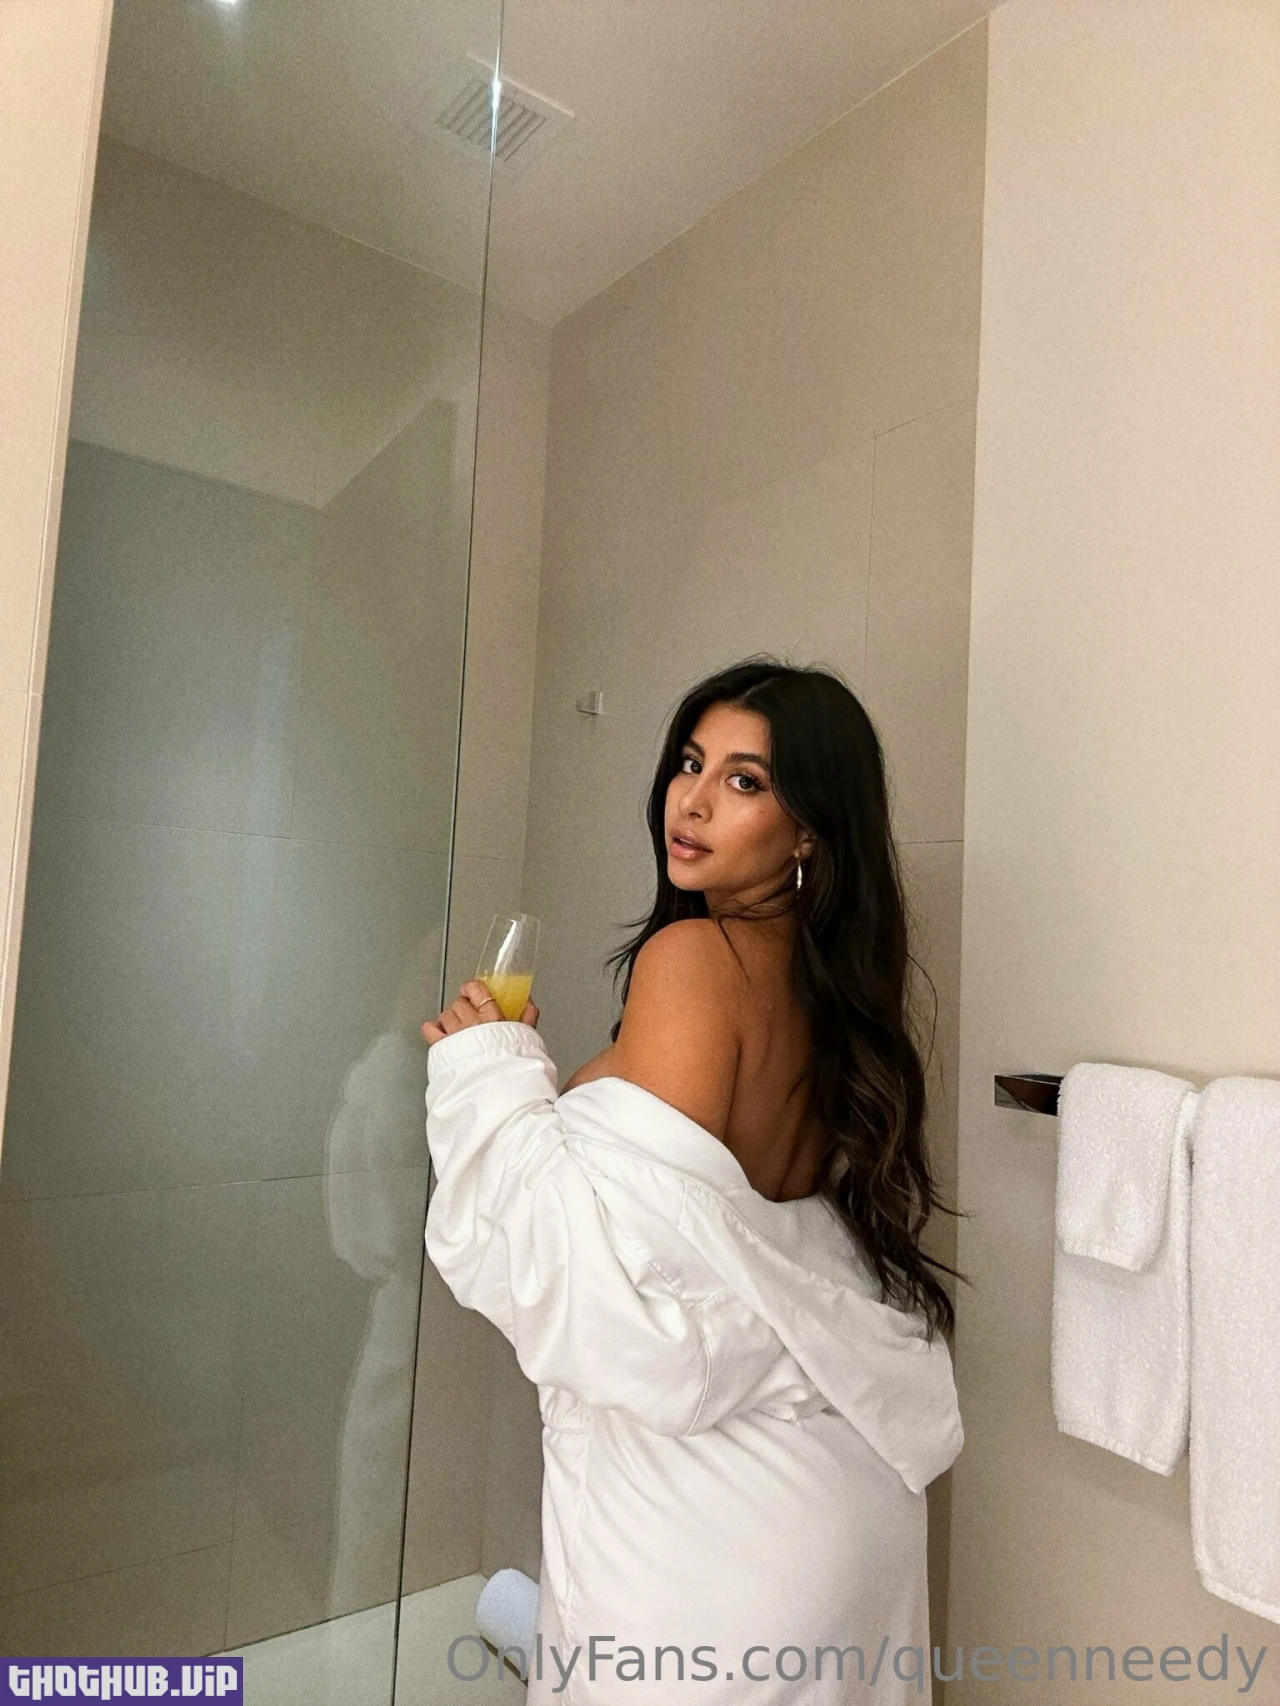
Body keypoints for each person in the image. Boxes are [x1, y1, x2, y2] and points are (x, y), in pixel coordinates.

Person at [422, 656, 967, 1705]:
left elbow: (616, 1296)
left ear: (807, 831)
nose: (694, 798)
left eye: (745, 779)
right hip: (834, 1496)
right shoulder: (829, 986)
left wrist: (485, 1077)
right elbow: (723, 1228)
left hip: (707, 1528)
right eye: (689, 761)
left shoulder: (692, 958)